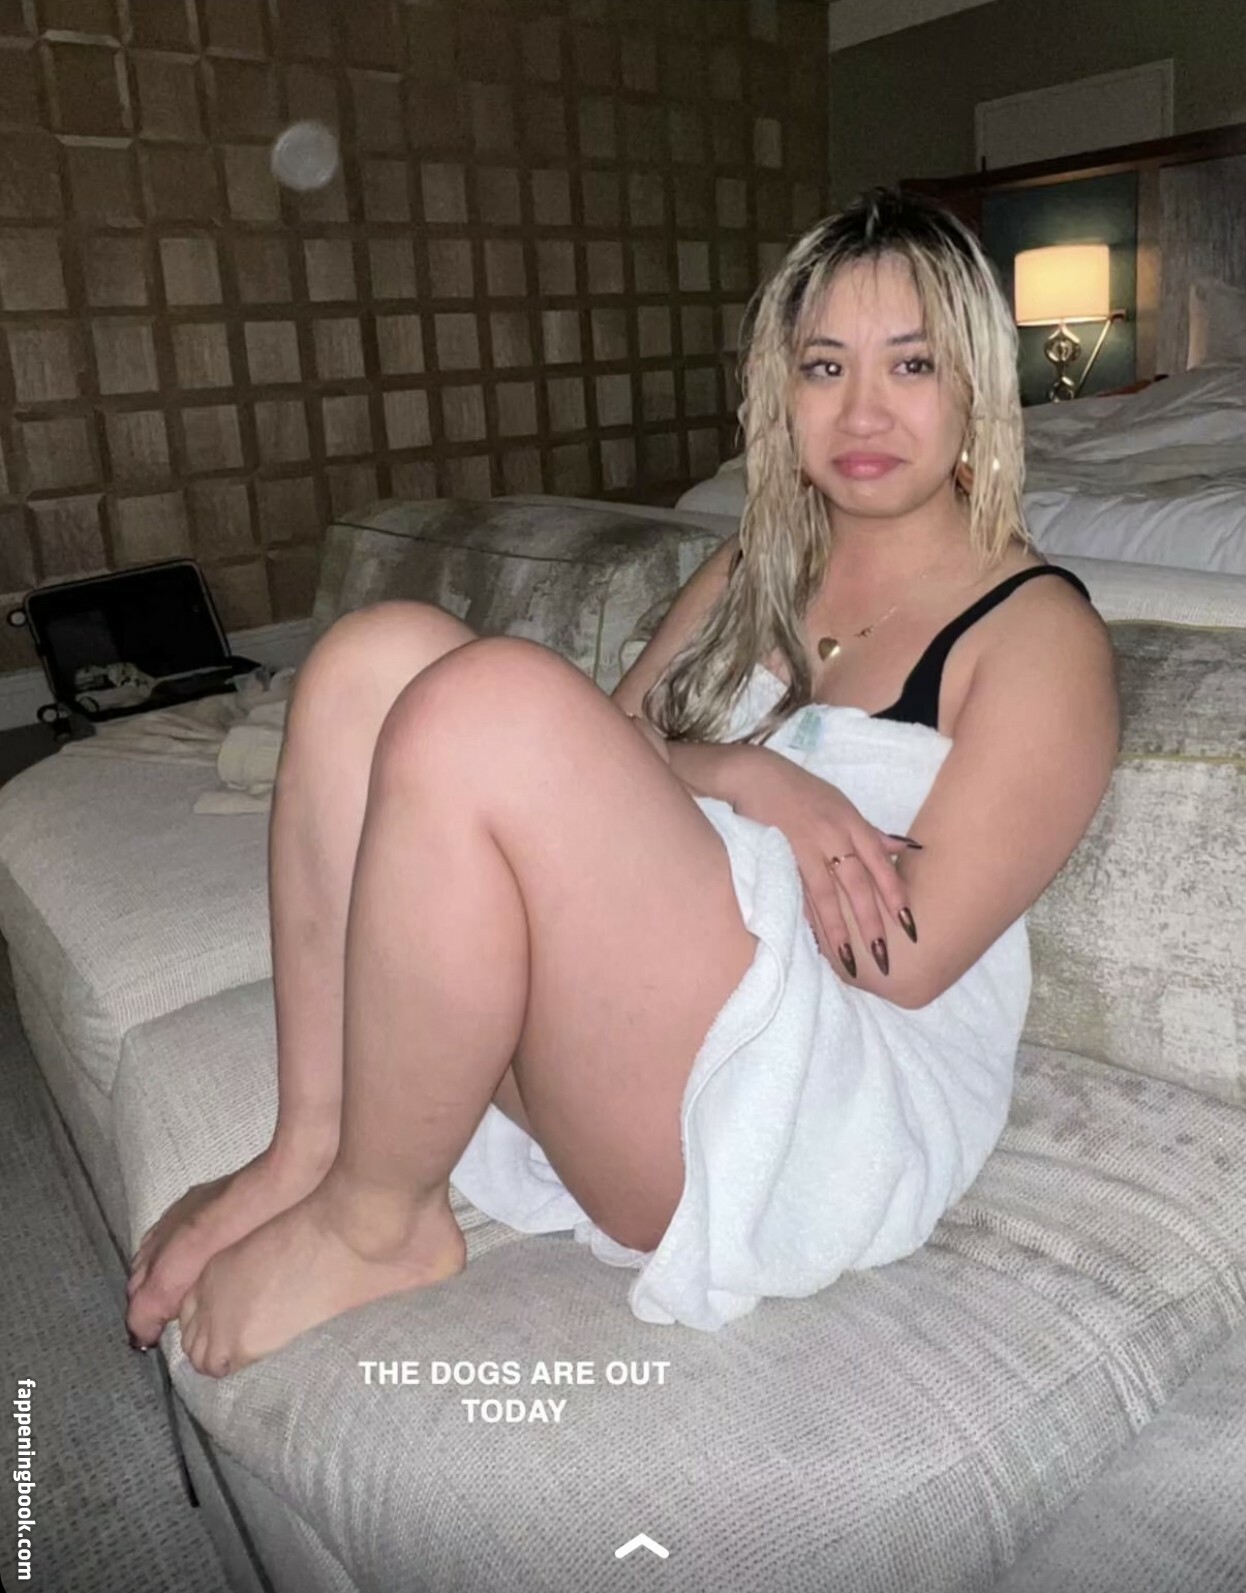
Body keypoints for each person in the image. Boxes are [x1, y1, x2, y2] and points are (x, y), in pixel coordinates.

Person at [125, 189, 1118, 1377]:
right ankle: (313, 1145)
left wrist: (728, 791)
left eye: (911, 363)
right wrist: (754, 778)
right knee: (367, 662)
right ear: (780, 392)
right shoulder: (754, 564)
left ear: (977, 389)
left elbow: (900, 961)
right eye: (824, 366)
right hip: (651, 1026)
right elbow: (611, 750)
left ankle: (377, 1225)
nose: (863, 410)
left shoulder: (1038, 635)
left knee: (488, 697)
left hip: (808, 1112)